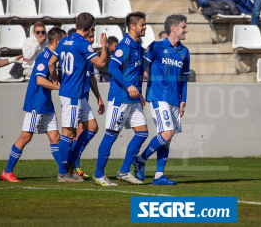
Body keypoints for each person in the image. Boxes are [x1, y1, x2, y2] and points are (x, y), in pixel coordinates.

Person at [48, 13, 107, 182]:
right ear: (90, 29)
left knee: (93, 127)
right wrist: (103, 45)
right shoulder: (83, 44)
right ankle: (62, 173)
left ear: (75, 24)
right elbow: (101, 63)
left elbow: (51, 63)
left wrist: (56, 78)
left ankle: (71, 162)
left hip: (77, 94)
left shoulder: (64, 41)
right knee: (68, 132)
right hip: (72, 95)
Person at [1, 27, 65, 182]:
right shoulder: (44, 57)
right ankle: (7, 171)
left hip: (46, 103)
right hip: (37, 103)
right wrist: (60, 87)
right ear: (56, 41)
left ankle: (64, 172)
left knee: (55, 137)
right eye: (63, 41)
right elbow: (40, 80)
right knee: (25, 136)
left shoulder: (52, 58)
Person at [133, 14, 190, 186]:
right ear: (174, 29)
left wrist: (183, 100)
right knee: (167, 133)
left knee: (167, 137)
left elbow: (184, 79)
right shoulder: (156, 46)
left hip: (174, 99)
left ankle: (158, 176)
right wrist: (138, 90)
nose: (186, 30)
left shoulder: (184, 51)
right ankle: (140, 160)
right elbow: (139, 68)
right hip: (158, 96)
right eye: (183, 27)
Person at [93, 12, 148, 186]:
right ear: (132, 26)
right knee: (111, 134)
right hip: (120, 98)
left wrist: (138, 93)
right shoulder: (124, 46)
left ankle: (124, 171)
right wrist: (129, 86)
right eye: (142, 24)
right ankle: (99, 174)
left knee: (142, 132)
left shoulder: (137, 45)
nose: (145, 27)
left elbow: (135, 73)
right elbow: (113, 68)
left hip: (133, 98)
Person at [72, 28, 105, 178]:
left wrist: (98, 97)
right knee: (75, 133)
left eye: (93, 37)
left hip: (83, 97)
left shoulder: (88, 55)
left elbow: (91, 77)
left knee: (88, 129)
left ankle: (73, 164)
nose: (92, 39)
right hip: (74, 97)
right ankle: (72, 166)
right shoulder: (77, 52)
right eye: (90, 36)